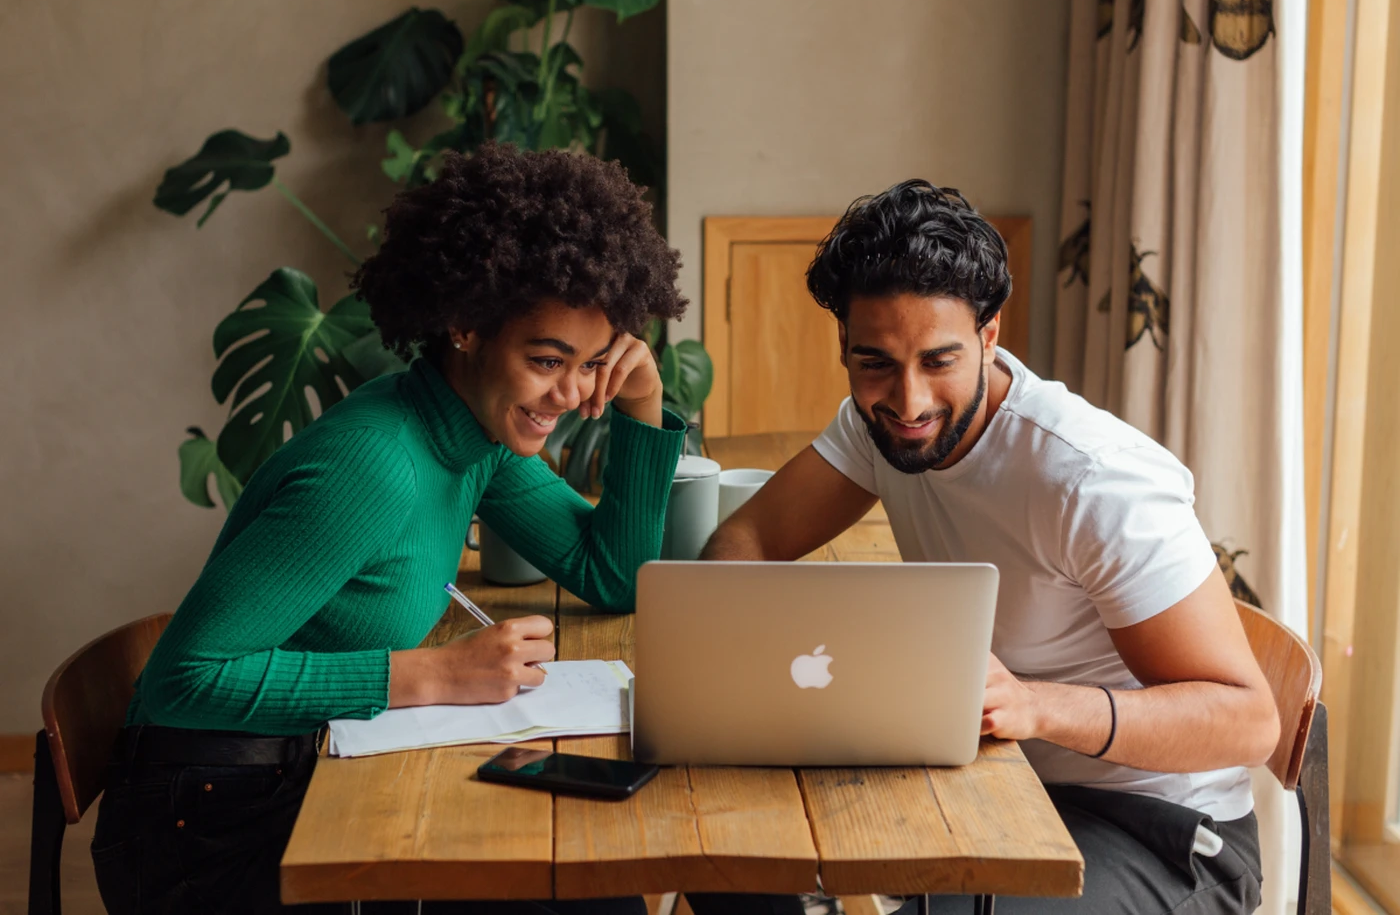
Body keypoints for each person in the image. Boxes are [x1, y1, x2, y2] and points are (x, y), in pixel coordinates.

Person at [92, 143, 699, 915]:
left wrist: (642, 402)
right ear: (465, 325)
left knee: (588, 878)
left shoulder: (472, 433)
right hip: (210, 830)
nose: (572, 394)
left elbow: (611, 574)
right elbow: (185, 679)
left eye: (592, 364)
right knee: (579, 890)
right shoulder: (372, 467)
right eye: (548, 360)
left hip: (318, 768)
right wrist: (431, 675)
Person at [702, 181, 1280, 914]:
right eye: (874, 361)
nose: (908, 402)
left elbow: (1249, 721)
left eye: (939, 361)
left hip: (1160, 833)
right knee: (733, 859)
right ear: (843, 346)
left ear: (990, 334)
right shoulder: (874, 421)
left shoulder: (1091, 479)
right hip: (996, 784)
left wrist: (1035, 706)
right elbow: (747, 539)